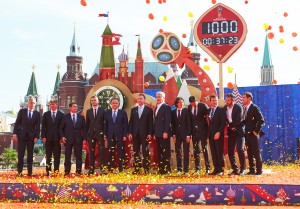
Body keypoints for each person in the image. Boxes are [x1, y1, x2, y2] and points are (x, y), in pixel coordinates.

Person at [13, 97, 40, 177]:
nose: (32, 104)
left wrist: (37, 136)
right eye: (31, 102)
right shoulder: (22, 111)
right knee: (20, 154)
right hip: (21, 136)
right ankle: (20, 173)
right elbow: (17, 123)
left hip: (31, 137)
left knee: (30, 155)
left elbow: (37, 126)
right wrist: (15, 134)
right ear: (28, 103)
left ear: (35, 104)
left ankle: (29, 173)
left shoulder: (37, 114)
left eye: (34, 103)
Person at [128, 93, 153, 174]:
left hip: (145, 134)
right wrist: (130, 133)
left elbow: (150, 123)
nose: (139, 100)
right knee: (136, 152)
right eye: (138, 99)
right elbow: (131, 122)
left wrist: (150, 133)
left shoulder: (148, 110)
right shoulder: (133, 109)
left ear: (144, 100)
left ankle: (146, 169)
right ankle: (137, 169)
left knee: (145, 152)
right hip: (135, 134)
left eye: (141, 98)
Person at [59, 103, 86, 176]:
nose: (76, 108)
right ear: (70, 108)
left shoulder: (81, 117)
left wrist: (84, 139)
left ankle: (78, 171)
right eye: (74, 106)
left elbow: (84, 129)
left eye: (76, 107)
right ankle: (67, 171)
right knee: (67, 156)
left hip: (78, 139)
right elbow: (61, 128)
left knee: (78, 156)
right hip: (68, 139)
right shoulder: (65, 117)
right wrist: (62, 137)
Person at [242, 92, 265, 175]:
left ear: (249, 98)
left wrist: (256, 131)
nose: (242, 99)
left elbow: (261, 120)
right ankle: (252, 169)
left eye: (244, 98)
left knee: (256, 152)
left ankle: (259, 170)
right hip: (246, 134)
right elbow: (245, 121)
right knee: (249, 152)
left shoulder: (254, 108)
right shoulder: (244, 108)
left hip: (253, 134)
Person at [105, 98, 128, 173]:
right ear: (110, 104)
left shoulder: (123, 113)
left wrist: (125, 135)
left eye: (116, 103)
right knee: (111, 151)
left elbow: (126, 125)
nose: (114, 104)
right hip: (110, 135)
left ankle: (121, 168)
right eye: (113, 103)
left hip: (120, 135)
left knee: (121, 152)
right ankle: (110, 168)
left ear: (118, 104)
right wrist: (105, 135)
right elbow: (105, 124)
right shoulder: (107, 112)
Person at [41, 99, 64, 176]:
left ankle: (56, 171)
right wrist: (43, 136)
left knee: (57, 155)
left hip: (58, 138)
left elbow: (63, 127)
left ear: (57, 105)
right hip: (48, 138)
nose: (52, 105)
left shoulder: (61, 114)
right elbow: (43, 126)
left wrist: (62, 137)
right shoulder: (46, 114)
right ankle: (48, 171)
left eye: (54, 104)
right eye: (51, 104)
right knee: (48, 156)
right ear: (49, 105)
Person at [224, 94, 246, 175]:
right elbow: (225, 119)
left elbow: (239, 119)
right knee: (230, 151)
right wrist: (230, 126)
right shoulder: (225, 109)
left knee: (240, 149)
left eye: (229, 100)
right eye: (226, 100)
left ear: (233, 100)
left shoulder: (238, 107)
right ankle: (235, 169)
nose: (227, 102)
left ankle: (242, 168)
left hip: (239, 131)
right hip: (231, 132)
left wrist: (232, 126)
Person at [188, 96, 210, 174]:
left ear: (196, 100)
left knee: (204, 149)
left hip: (203, 131)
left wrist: (208, 131)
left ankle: (208, 168)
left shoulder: (203, 105)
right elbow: (190, 119)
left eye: (194, 103)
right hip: (194, 132)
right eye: (191, 103)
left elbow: (209, 114)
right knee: (196, 150)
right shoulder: (189, 107)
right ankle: (197, 168)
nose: (193, 104)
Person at [85, 96, 106, 175]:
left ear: (98, 101)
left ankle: (103, 169)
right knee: (91, 152)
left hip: (100, 134)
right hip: (91, 134)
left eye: (95, 100)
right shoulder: (89, 111)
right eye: (92, 100)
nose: (93, 101)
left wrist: (104, 133)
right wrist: (86, 135)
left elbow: (105, 123)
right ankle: (91, 170)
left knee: (102, 152)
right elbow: (87, 124)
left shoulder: (103, 110)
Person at [171, 97, 191, 175]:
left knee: (186, 152)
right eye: (179, 102)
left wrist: (189, 135)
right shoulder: (173, 112)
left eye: (182, 102)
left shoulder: (186, 111)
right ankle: (179, 169)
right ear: (176, 103)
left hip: (185, 135)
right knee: (178, 152)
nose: (181, 103)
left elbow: (189, 123)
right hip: (177, 135)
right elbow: (172, 124)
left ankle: (186, 170)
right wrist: (173, 135)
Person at [153, 91, 172, 175]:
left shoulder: (166, 107)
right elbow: (156, 121)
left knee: (166, 151)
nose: (158, 98)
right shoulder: (156, 107)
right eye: (157, 97)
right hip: (157, 134)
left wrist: (166, 131)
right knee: (159, 151)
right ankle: (161, 169)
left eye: (160, 97)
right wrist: (154, 133)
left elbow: (168, 121)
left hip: (164, 134)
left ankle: (167, 169)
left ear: (163, 98)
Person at [208, 95, 226, 176]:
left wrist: (218, 132)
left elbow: (223, 122)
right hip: (210, 135)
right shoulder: (208, 111)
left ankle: (221, 169)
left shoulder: (221, 110)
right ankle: (216, 169)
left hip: (218, 134)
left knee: (219, 152)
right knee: (213, 152)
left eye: (216, 100)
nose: (215, 102)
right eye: (213, 100)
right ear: (210, 101)